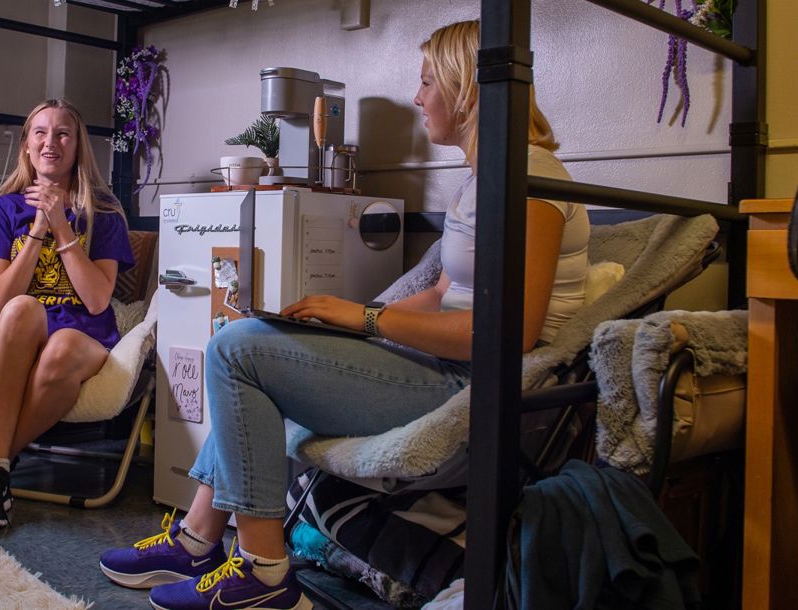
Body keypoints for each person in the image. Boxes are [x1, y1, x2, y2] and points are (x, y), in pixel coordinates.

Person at [97, 19, 590, 610]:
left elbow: (508, 333)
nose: (417, 97)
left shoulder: (531, 177)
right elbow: (442, 293)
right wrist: (336, 325)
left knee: (236, 352)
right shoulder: (481, 180)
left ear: (465, 88)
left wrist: (365, 321)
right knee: (250, 338)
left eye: (428, 81)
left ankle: (262, 573)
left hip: (471, 389)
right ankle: (198, 540)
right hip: (435, 363)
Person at [0, 99, 135, 531]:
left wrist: (62, 224)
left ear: (77, 147)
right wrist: (37, 228)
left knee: (62, 347)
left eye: (62, 133)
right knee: (20, 306)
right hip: (15, 339)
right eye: (40, 132)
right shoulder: (3, 210)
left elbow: (96, 301)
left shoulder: (105, 212)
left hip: (81, 336)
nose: (50, 142)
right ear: (27, 145)